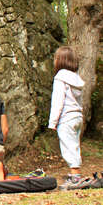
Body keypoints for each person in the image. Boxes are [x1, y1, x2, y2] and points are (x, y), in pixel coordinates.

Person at [48, 46, 86, 190]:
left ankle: (75, 177)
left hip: (66, 118)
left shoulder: (60, 78)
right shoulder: (76, 78)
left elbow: (57, 101)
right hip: (77, 116)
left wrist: (53, 122)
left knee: (68, 147)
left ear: (60, 61)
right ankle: (75, 174)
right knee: (74, 145)